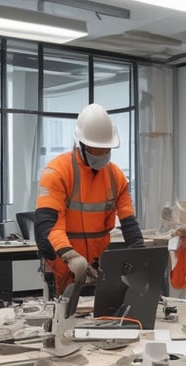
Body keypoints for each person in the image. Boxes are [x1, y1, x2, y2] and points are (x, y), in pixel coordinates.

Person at [35, 103, 145, 296]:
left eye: (106, 149)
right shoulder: (58, 172)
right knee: (63, 319)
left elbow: (129, 222)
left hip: (96, 265)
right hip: (63, 262)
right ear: (82, 144)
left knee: (96, 317)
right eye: (97, 149)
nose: (102, 154)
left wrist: (142, 256)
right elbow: (49, 225)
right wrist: (69, 255)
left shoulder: (116, 177)